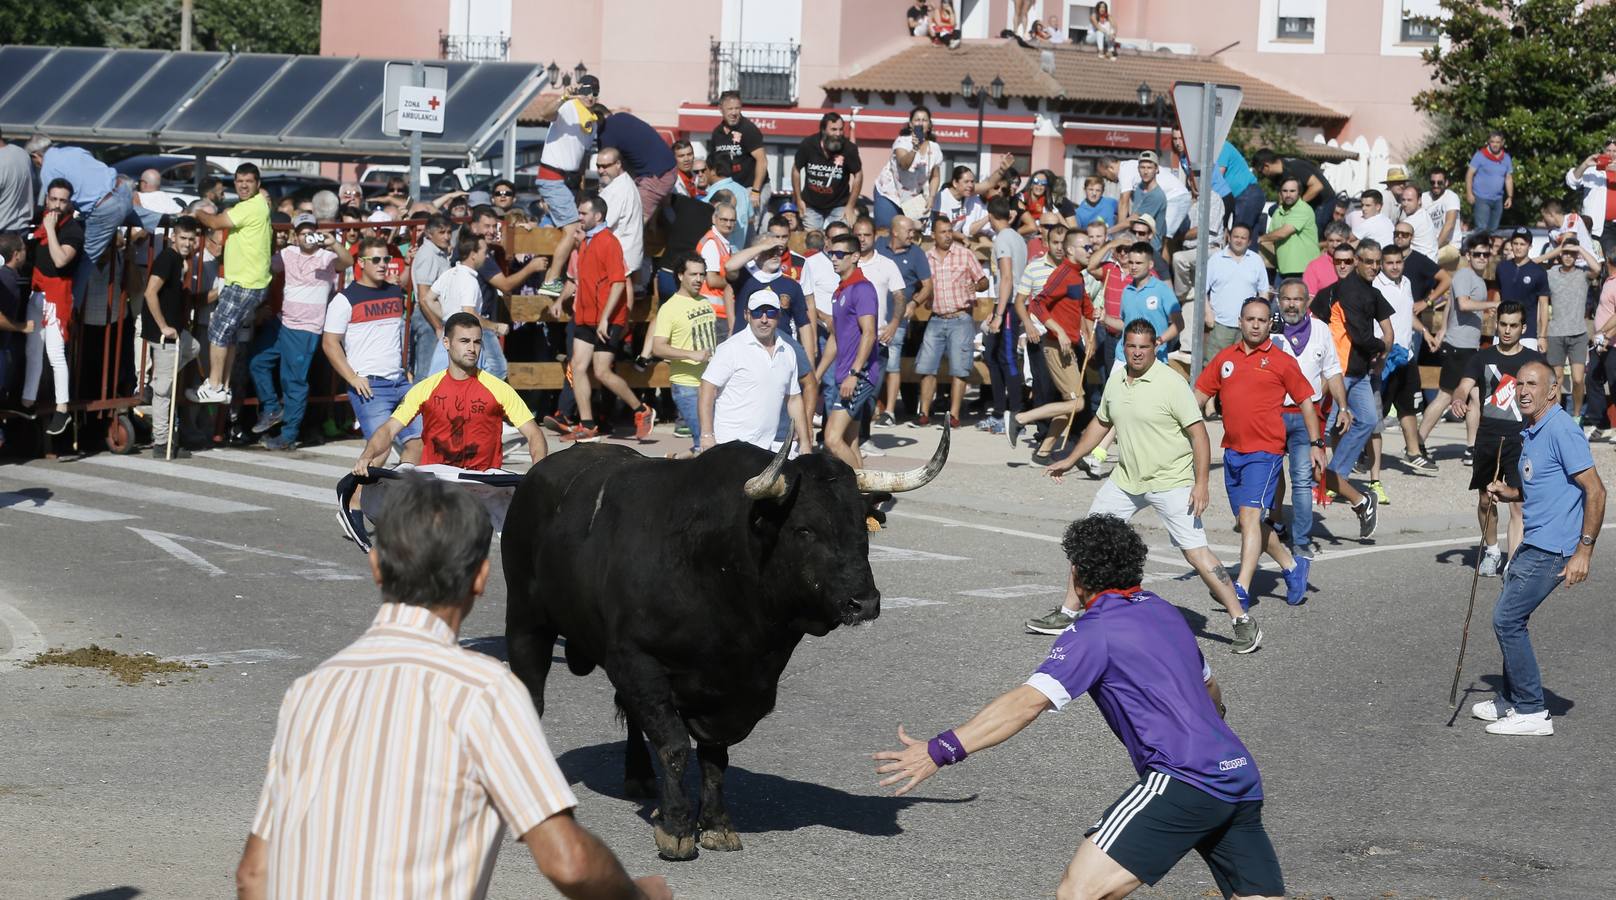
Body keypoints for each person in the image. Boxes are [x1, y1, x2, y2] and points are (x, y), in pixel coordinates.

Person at [237, 476, 669, 900]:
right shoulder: (484, 692)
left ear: (376, 567)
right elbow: (569, 863)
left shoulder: (312, 691)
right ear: (480, 578)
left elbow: (254, 874)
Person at [874, 513, 1284, 898]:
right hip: (1239, 775)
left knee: (1080, 891)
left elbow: (1025, 704)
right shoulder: (1164, 611)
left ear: (1077, 575)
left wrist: (940, 750)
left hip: (1184, 778)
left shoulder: (1093, 632)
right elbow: (1210, 689)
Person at [1040, 319, 1262, 651]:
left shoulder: (1172, 383)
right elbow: (1100, 425)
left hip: (1171, 481)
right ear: (1124, 347)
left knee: (1196, 553)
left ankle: (1242, 621)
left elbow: (1199, 436)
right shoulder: (1117, 381)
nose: (1138, 352)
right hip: (1126, 480)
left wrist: (1201, 484)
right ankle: (1069, 610)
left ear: (1155, 347)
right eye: (1132, 346)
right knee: (1088, 541)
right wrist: (1070, 459)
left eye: (1144, 347)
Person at [1469, 361, 1604, 736]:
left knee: (1507, 620)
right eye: (1520, 385)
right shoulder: (1532, 429)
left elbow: (1596, 491)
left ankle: (1531, 710)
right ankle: (1512, 699)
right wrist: (1508, 492)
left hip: (1554, 547)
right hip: (1533, 541)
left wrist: (1584, 552)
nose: (1524, 391)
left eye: (1533, 384)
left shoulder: (1561, 429)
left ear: (1552, 390)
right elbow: (1539, 486)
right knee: (1510, 617)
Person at [1195, 298, 1323, 607]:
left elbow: (1306, 401)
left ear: (1271, 324)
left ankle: (1241, 587)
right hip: (1233, 451)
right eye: (1250, 319)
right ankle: (1293, 567)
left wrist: (1317, 444)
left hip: (1265, 452)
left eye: (1262, 320)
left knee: (1251, 517)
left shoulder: (1281, 360)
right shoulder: (1225, 359)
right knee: (1247, 522)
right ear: (1240, 321)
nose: (1255, 324)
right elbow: (1197, 396)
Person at [353, 312, 547, 484]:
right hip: (436, 485)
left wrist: (537, 472)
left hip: (482, 487)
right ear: (447, 343)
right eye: (464, 341)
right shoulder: (425, 389)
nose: (472, 348)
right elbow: (388, 430)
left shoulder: (499, 389)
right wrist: (367, 455)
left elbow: (534, 434)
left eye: (477, 342)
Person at [1450, 302, 1546, 577]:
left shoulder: (1532, 361)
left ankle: (1513, 561)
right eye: (1502, 324)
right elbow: (1464, 386)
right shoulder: (1481, 358)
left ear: (1523, 328)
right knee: (1486, 500)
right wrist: (1458, 398)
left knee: (1518, 502)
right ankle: (1492, 551)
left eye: (1513, 325)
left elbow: (1549, 395)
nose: (1506, 330)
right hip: (1488, 436)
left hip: (1521, 438)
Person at [251, 213, 351, 450]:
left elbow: (347, 262)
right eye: (303, 232)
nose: (308, 236)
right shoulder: (287, 254)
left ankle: (288, 436)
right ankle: (272, 408)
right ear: (295, 236)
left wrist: (334, 242)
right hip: (283, 321)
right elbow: (264, 264)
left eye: (311, 231)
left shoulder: (327, 256)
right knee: (258, 361)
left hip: (306, 328)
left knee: (294, 381)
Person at [322, 235, 423, 466]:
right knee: (380, 452)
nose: (382, 264)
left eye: (385, 259)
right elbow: (329, 343)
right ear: (361, 263)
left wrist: (407, 265)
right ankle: (354, 501)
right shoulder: (344, 299)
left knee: (417, 444)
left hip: (399, 381)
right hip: (370, 386)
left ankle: (400, 498)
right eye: (375, 259)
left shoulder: (394, 291)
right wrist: (352, 378)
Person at [1312, 240, 1390, 536]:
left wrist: (1381, 354)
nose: (1373, 267)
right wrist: (1381, 346)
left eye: (1377, 262)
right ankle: (1332, 482)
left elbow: (1381, 329)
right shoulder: (1336, 292)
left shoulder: (1370, 292)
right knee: (1328, 426)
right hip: (1337, 372)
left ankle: (1336, 477)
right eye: (1340, 261)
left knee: (1368, 420)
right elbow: (1352, 332)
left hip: (1357, 371)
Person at [565, 192, 656, 443]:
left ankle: (641, 410)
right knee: (578, 367)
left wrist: (605, 317)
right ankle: (587, 424)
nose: (579, 217)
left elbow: (618, 283)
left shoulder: (609, 241)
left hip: (608, 318)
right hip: (585, 317)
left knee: (602, 371)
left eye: (584, 213)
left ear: (598, 215)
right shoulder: (586, 241)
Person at [1270, 279, 1347, 558]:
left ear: (1307, 302)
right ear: (1279, 301)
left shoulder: (1321, 330)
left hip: (1307, 417)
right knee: (1269, 475)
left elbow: (1333, 371)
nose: (1292, 304)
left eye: (1298, 299)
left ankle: (1301, 541)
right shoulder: (1269, 329)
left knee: (1302, 479)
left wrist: (1343, 406)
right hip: (1272, 414)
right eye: (1287, 299)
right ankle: (1270, 526)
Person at [188, 162, 273, 405]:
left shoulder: (252, 207)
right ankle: (223, 387)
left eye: (249, 181)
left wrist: (196, 214)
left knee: (217, 331)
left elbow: (214, 223)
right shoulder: (253, 206)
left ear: (258, 184)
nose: (244, 185)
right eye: (240, 181)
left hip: (246, 282)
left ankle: (214, 386)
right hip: (250, 282)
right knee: (230, 334)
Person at [699, 289, 812, 454]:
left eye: (770, 313)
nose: (764, 319)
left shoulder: (787, 352)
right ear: (747, 315)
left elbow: (794, 399)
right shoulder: (731, 348)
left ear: (779, 316)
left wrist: (805, 444)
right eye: (757, 313)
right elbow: (706, 388)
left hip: (766, 449)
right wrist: (707, 435)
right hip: (730, 447)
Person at [1419, 234, 1494, 465]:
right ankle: (1417, 442)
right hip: (1459, 347)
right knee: (1446, 396)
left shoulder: (1476, 279)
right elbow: (1462, 303)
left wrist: (1442, 328)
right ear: (1468, 255)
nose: (1482, 258)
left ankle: (1471, 448)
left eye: (1486, 254)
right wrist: (1492, 304)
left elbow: (1452, 302)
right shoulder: (1464, 274)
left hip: (1467, 346)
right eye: (1478, 254)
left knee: (1474, 396)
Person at [1371, 243, 1436, 480]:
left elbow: (1407, 315)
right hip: (1385, 357)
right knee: (1379, 409)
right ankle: (1361, 452)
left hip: (1406, 356)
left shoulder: (1407, 283)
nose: (1395, 266)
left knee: (1408, 405)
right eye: (1390, 263)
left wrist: (1425, 332)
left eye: (1398, 262)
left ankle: (1413, 451)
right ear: (1382, 264)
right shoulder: (1376, 285)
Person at [22, 178, 82, 436]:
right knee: (32, 349)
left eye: (62, 200)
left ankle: (62, 408)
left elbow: (60, 260)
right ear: (46, 198)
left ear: (69, 203)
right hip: (37, 293)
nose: (56, 205)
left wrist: (52, 230)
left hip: (58, 296)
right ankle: (27, 400)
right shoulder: (39, 218)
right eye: (53, 199)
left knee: (55, 354)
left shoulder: (73, 230)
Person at [815, 233, 879, 469]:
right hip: (846, 375)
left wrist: (854, 373)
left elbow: (870, 333)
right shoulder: (840, 291)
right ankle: (863, 501)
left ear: (854, 257)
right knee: (849, 443)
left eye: (840, 254)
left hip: (858, 376)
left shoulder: (862, 289)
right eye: (831, 253)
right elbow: (836, 338)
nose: (834, 258)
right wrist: (818, 374)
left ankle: (863, 493)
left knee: (831, 440)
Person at [915, 215, 986, 429]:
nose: (947, 236)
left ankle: (954, 415)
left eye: (949, 231)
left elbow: (982, 279)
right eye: (943, 232)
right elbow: (920, 284)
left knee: (960, 369)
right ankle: (924, 413)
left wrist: (978, 286)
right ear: (933, 235)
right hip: (936, 318)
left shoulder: (965, 255)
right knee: (927, 367)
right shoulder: (926, 258)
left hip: (960, 316)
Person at [652, 253, 719, 457]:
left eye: (702, 274)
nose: (699, 279)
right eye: (693, 274)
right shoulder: (669, 308)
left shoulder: (706, 302)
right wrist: (691, 354)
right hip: (687, 385)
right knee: (707, 442)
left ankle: (676, 460)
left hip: (711, 383)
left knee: (713, 440)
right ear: (680, 275)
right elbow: (658, 348)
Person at [874, 215, 931, 424]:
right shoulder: (878, 245)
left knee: (892, 364)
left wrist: (914, 303)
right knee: (872, 364)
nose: (912, 235)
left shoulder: (916, 253)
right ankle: (871, 407)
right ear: (895, 232)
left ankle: (889, 411)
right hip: (872, 316)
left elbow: (927, 285)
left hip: (896, 319)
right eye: (908, 231)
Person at [984, 198, 1028, 434]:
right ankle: (1000, 411)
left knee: (1008, 358)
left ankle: (1017, 416)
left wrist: (999, 314)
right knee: (992, 355)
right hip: (1004, 303)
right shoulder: (1017, 236)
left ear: (991, 215)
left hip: (1008, 304)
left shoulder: (1003, 238)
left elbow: (1007, 277)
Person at [1544, 240, 1599, 430]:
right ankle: (1557, 418)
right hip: (1555, 333)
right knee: (1556, 379)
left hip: (1578, 333)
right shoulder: (1551, 274)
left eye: (1572, 253)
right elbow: (1534, 262)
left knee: (1577, 379)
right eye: (1565, 253)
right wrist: (1558, 250)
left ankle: (1576, 416)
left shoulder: (1583, 275)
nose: (1568, 256)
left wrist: (1580, 249)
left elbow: (1597, 268)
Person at [1201, 223, 1269, 364]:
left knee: (1244, 365)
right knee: (1214, 365)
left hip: (1248, 325)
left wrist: (1262, 318)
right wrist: (1208, 313)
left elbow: (1263, 291)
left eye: (1243, 238)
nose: (1239, 240)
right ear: (1229, 238)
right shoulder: (1216, 260)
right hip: (1220, 324)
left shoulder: (1256, 260)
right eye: (1236, 236)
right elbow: (1202, 290)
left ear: (1249, 241)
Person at [599, 109, 679, 225]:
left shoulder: (606, 133)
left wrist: (602, 191)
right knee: (658, 214)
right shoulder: (622, 117)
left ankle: (675, 232)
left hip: (656, 176)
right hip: (668, 168)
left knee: (636, 221)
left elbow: (607, 167)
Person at [874, 106, 944, 229]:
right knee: (885, 230)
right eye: (917, 120)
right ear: (911, 124)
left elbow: (935, 176)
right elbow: (904, 164)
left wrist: (932, 196)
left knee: (912, 233)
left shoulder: (935, 148)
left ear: (930, 125)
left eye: (925, 120)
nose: (921, 123)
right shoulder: (902, 141)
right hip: (889, 193)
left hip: (911, 198)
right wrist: (915, 148)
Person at [793, 113, 862, 231]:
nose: (838, 134)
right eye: (833, 130)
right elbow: (796, 170)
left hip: (839, 204)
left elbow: (858, 175)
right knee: (813, 240)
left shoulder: (849, 148)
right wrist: (798, 200)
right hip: (811, 204)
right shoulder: (808, 144)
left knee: (839, 237)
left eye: (841, 129)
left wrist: (850, 206)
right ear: (823, 130)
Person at [709, 91, 770, 216]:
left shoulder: (748, 129)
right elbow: (714, 163)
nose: (734, 113)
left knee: (748, 224)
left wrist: (755, 191)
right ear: (720, 109)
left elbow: (762, 160)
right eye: (730, 109)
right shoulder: (717, 133)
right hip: (731, 189)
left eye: (737, 108)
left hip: (752, 187)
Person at [408, 214, 454, 379]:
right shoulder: (428, 254)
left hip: (436, 316)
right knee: (426, 373)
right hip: (428, 318)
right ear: (429, 234)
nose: (447, 237)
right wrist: (437, 327)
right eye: (442, 232)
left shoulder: (438, 253)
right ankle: (418, 404)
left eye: (449, 232)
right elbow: (423, 296)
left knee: (437, 371)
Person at [1253, 149, 1338, 235]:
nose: (1262, 176)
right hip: (1307, 202)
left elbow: (1317, 186)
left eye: (1261, 172)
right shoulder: (1276, 176)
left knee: (1313, 233)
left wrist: (1297, 205)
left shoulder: (1294, 167)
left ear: (1266, 166)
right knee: (1273, 210)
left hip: (1323, 202)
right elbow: (1281, 196)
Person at [1496, 227, 1550, 351]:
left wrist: (1542, 336)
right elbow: (1498, 295)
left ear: (1529, 246)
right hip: (1502, 330)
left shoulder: (1538, 271)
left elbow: (1543, 304)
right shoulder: (1502, 267)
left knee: (1525, 370)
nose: (1518, 247)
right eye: (1515, 243)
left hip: (1527, 333)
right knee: (1493, 369)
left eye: (1522, 244)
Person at [1258, 177, 1319, 279]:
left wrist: (1259, 239)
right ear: (1280, 193)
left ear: (1299, 192)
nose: (1288, 194)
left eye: (1292, 191)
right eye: (1285, 191)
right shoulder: (1278, 212)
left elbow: (1282, 233)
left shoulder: (1303, 209)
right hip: (1282, 270)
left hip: (1304, 271)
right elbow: (1272, 237)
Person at [1567, 139, 1616, 259]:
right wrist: (1585, 164)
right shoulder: (1593, 171)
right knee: (1609, 260)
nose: (1611, 154)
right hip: (1601, 226)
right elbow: (1572, 181)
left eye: (1615, 151)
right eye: (1608, 150)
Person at [1466, 130, 1513, 233]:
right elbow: (1469, 174)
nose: (1495, 145)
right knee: (1481, 228)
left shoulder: (1506, 158)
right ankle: (1478, 248)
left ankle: (1490, 248)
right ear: (1488, 142)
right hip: (1481, 198)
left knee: (1493, 230)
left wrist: (1509, 196)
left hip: (1498, 199)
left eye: (1497, 142)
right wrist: (1469, 193)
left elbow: (1508, 177)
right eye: (1492, 142)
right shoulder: (1480, 155)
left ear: (1502, 143)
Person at [1420, 168, 1462, 250]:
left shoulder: (1451, 197)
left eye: (1439, 183)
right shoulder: (1424, 197)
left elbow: (1449, 224)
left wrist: (1435, 248)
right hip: (1428, 245)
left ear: (1446, 183)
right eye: (1433, 182)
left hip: (1450, 245)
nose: (1436, 185)